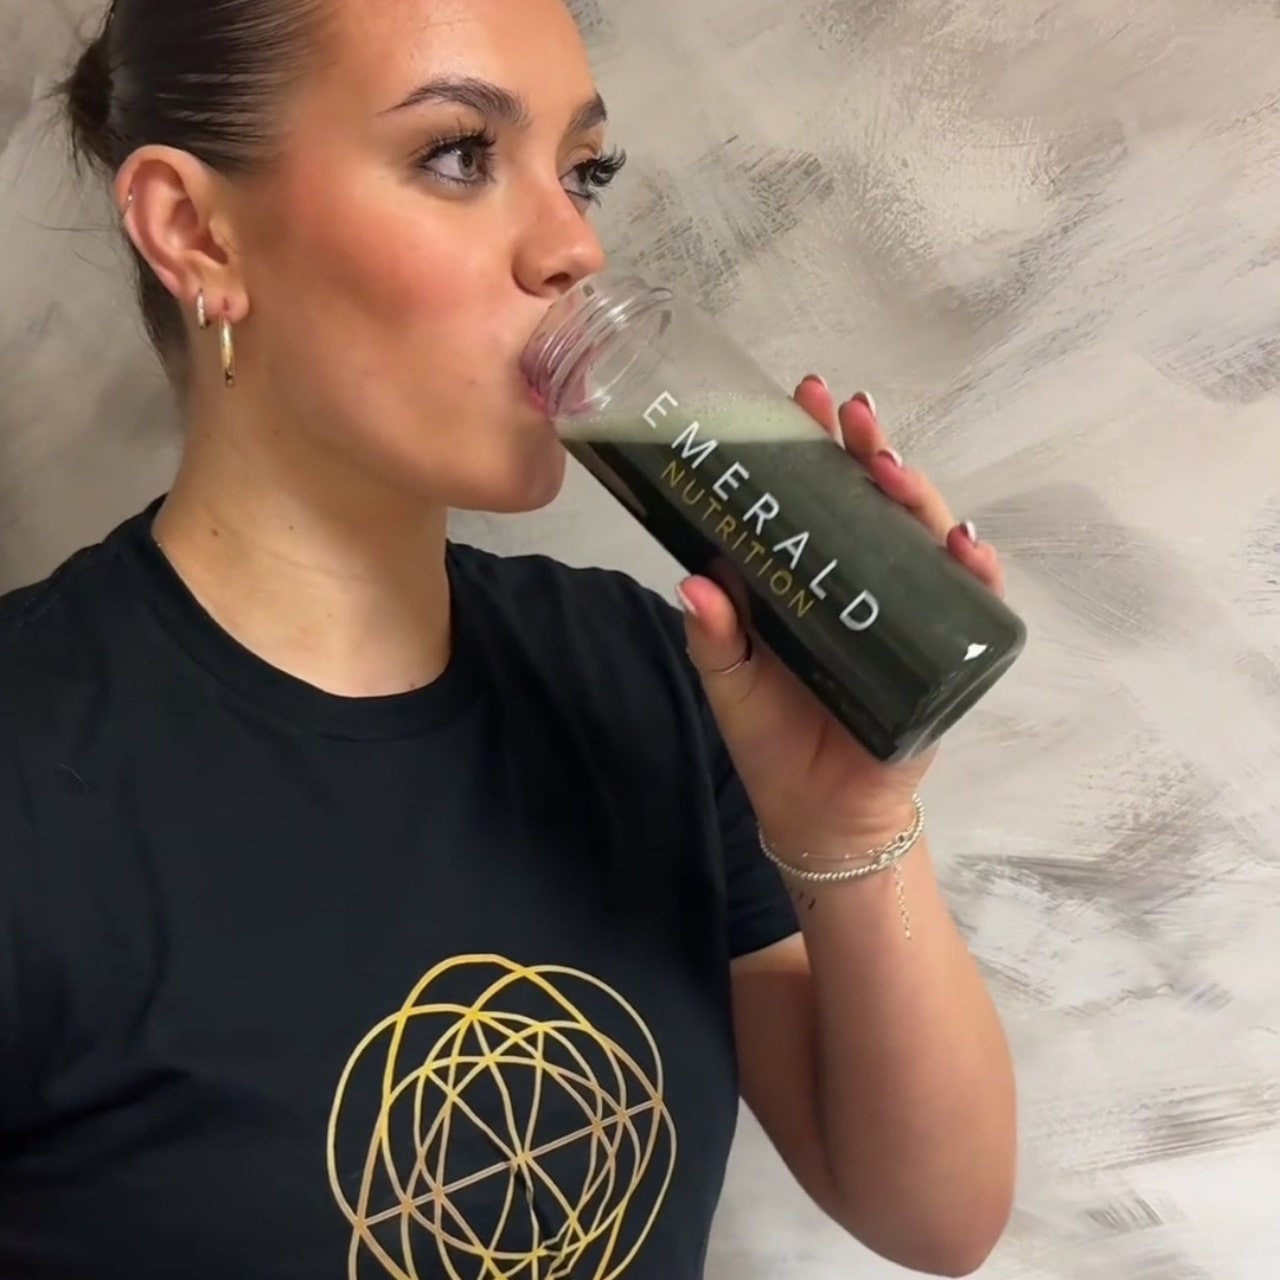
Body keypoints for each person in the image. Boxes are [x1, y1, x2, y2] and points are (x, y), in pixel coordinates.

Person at [0, 0, 1017, 1275]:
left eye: (582, 170)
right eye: (458, 154)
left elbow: (933, 1214)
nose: (572, 245)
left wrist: (850, 830)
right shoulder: (34, 772)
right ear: (195, 230)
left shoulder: (648, 675)